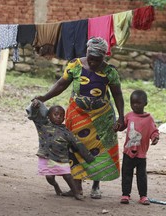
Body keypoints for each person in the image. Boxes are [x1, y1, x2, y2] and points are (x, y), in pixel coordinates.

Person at [35, 37, 125, 199]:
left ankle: (96, 185)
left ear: (104, 57)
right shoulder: (75, 66)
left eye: (97, 60)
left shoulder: (110, 72)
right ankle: (77, 187)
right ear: (87, 53)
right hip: (76, 116)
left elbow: (117, 94)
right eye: (91, 59)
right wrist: (44, 97)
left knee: (100, 150)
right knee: (74, 149)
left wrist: (121, 117)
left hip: (101, 118)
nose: (93, 63)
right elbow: (61, 85)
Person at [26, 99, 95, 200]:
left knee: (67, 176)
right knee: (49, 178)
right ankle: (56, 186)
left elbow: (77, 144)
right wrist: (35, 106)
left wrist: (88, 157)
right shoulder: (43, 125)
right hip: (46, 156)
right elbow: (35, 116)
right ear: (49, 116)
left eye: (61, 115)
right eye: (56, 114)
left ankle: (76, 193)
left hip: (62, 158)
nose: (59, 117)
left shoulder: (66, 131)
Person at [120, 90, 159, 205]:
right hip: (128, 152)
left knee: (141, 176)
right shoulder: (129, 116)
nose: (135, 105)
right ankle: (125, 194)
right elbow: (122, 126)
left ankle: (143, 196)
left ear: (145, 103)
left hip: (141, 153)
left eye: (138, 103)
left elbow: (153, 131)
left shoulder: (148, 118)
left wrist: (155, 138)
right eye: (133, 103)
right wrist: (117, 126)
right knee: (126, 174)